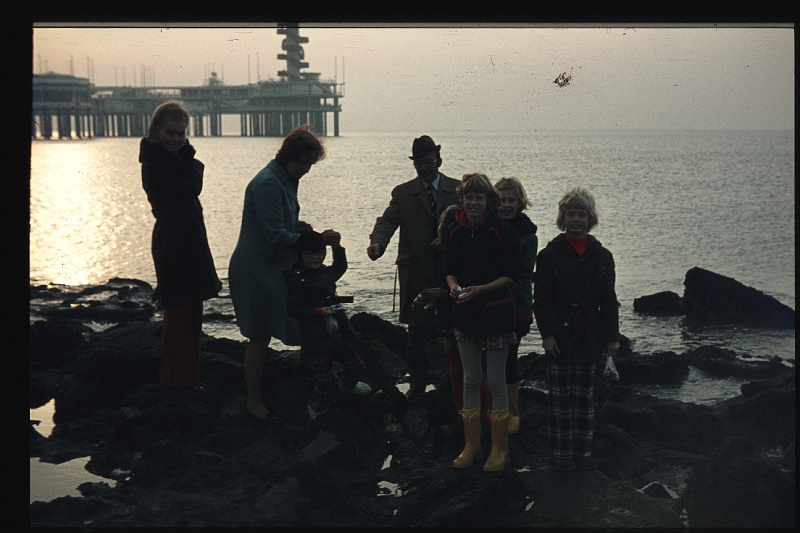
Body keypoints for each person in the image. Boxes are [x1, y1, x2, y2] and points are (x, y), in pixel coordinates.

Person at [229, 124, 339, 423]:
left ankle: (306, 386)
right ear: (288, 156)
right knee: (260, 334)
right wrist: (315, 239)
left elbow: (280, 225)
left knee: (302, 322)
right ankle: (254, 402)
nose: (305, 169)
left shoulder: (284, 178)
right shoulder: (267, 183)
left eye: (309, 164)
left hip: (273, 266)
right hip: (255, 269)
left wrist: (298, 227)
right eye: (303, 162)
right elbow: (275, 236)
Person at [367, 135, 460, 403]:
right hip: (416, 272)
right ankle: (417, 386)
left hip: (451, 271)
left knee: (453, 329)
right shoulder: (403, 192)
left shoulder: (458, 189)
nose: (424, 168)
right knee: (417, 334)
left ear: (439, 161)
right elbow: (387, 221)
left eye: (428, 162)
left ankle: (453, 386)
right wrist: (377, 243)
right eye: (419, 163)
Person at [532, 186, 620, 472]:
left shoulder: (602, 257)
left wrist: (612, 337)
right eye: (571, 214)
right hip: (559, 337)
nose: (576, 220)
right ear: (563, 218)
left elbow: (609, 300)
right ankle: (560, 454)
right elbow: (541, 301)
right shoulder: (549, 255)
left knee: (584, 400)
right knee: (559, 401)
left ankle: (582, 455)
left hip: (589, 337)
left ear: (590, 219)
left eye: (581, 214)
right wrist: (547, 335)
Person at [139, 100, 222, 395]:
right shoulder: (154, 164)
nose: (176, 139)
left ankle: (189, 377)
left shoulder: (170, 161)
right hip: (173, 243)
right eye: (171, 133)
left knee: (192, 311)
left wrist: (187, 158)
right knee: (178, 315)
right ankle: (175, 380)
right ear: (157, 131)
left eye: (181, 134)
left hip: (187, 240)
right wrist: (192, 159)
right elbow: (191, 187)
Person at [442, 172, 520, 472]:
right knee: (471, 379)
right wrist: (453, 286)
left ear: (489, 201)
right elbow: (448, 267)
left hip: (497, 314)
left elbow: (510, 275)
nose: (473, 203)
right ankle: (472, 444)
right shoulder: (453, 230)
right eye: (469, 197)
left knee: (497, 381)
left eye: (479, 197)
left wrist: (479, 290)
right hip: (464, 315)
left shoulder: (503, 231)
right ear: (461, 200)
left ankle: (500, 447)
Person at [285, 231, 372, 420]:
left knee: (357, 365)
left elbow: (340, 266)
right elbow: (293, 309)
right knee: (325, 380)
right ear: (301, 255)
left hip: (338, 331)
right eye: (309, 254)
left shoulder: (326, 272)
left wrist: (336, 246)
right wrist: (317, 311)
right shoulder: (297, 278)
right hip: (316, 336)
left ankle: (349, 385)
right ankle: (315, 408)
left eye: (319, 253)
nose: (315, 258)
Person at [494, 177, 538, 434]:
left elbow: (522, 273)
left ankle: (512, 411)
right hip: (490, 303)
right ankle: (493, 408)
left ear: (520, 203)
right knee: (489, 361)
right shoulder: (490, 227)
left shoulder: (528, 235)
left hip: (516, 306)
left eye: (512, 200)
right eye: (502, 200)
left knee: (510, 357)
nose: (507, 205)